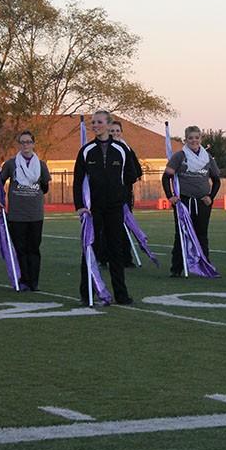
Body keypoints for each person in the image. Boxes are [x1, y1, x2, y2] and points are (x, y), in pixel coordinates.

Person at [74, 110, 138, 305]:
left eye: (99, 122)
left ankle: (121, 294)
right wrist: (80, 206)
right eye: (93, 122)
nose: (95, 125)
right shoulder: (86, 151)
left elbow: (131, 176)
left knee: (115, 251)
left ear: (108, 125)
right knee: (89, 248)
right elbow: (78, 181)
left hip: (115, 208)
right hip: (92, 209)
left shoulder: (121, 149)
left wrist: (119, 195)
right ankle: (87, 294)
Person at [162, 125, 221, 277]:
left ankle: (205, 265)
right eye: (190, 138)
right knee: (181, 234)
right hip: (184, 202)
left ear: (201, 139)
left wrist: (211, 197)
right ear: (186, 139)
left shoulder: (207, 157)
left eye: (197, 138)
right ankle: (177, 268)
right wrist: (171, 196)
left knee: (202, 234)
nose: (194, 141)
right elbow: (166, 177)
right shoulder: (179, 156)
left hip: (202, 202)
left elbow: (216, 180)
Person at [0, 130, 51, 291]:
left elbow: (45, 187)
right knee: (20, 248)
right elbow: (0, 182)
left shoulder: (41, 165)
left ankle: (34, 282)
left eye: (28, 142)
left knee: (34, 249)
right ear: (19, 145)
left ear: (33, 144)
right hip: (16, 215)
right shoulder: (11, 164)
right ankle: (23, 280)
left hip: (35, 214)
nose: (26, 145)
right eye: (23, 142)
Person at [110, 119, 143, 267]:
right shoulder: (105, 149)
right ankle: (108, 257)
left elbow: (136, 170)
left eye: (117, 131)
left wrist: (129, 178)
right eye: (112, 131)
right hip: (108, 194)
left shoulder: (127, 149)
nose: (115, 134)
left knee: (125, 225)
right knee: (109, 227)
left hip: (124, 193)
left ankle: (125, 258)